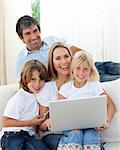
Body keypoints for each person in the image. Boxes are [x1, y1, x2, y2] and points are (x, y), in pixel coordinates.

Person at [57, 50, 116, 150]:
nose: (81, 73)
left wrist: (107, 121)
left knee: (90, 136)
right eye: (78, 68)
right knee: (76, 135)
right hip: (72, 128)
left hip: (92, 126)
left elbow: (111, 106)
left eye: (85, 69)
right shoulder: (65, 89)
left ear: (90, 71)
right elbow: (60, 112)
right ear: (72, 69)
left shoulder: (94, 86)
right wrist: (69, 124)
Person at [0, 60, 50, 150]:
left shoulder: (40, 95)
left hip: (29, 136)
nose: (37, 84)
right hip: (12, 135)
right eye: (33, 79)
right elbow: (5, 122)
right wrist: (31, 122)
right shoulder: (19, 98)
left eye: (41, 79)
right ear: (25, 79)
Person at [15, 15, 80, 79]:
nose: (34, 37)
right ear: (21, 37)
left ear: (39, 31)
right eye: (28, 33)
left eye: (35, 31)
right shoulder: (20, 60)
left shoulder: (54, 40)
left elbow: (80, 54)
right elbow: (23, 85)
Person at [36, 42, 73, 150]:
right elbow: (40, 127)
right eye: (58, 58)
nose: (63, 62)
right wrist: (47, 122)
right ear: (52, 62)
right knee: (69, 147)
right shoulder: (47, 88)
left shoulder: (80, 83)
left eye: (66, 56)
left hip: (78, 131)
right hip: (53, 135)